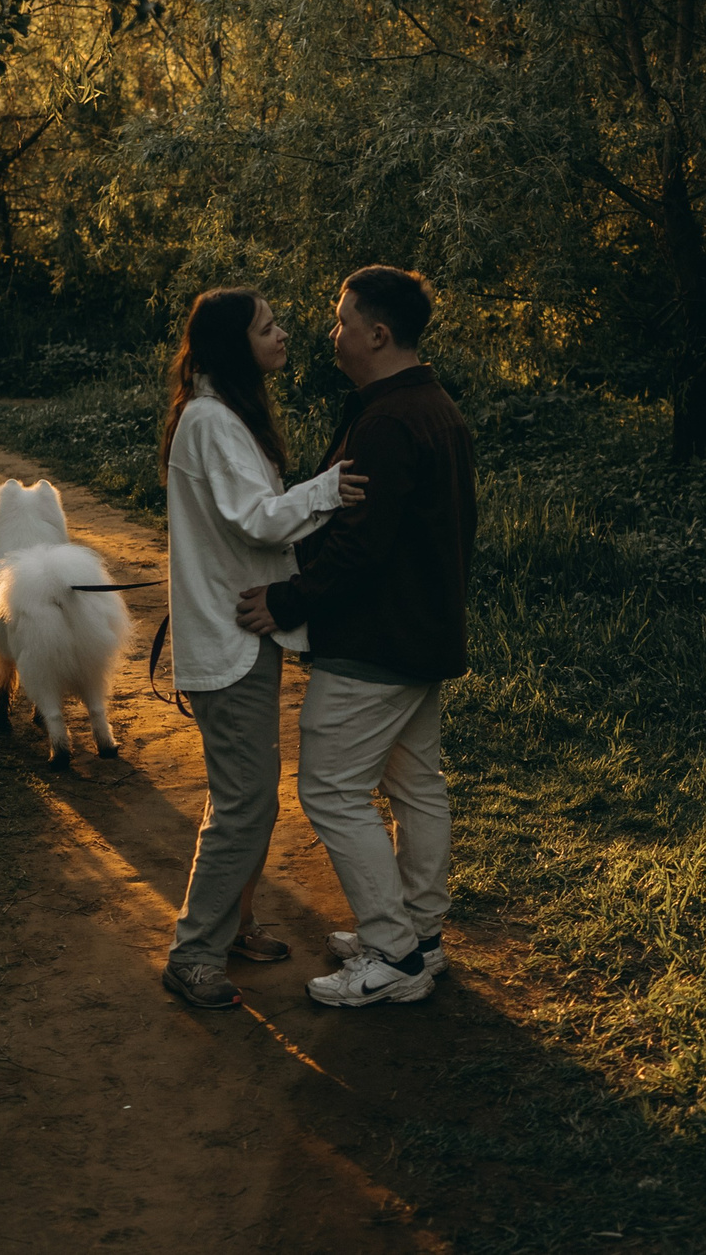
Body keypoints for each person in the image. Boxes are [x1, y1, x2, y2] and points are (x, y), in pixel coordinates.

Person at [236, 266, 475, 1008]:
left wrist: (286, 599)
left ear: (378, 333)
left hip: (375, 642)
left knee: (331, 788)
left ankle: (395, 954)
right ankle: (421, 933)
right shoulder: (436, 408)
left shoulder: (387, 423)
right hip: (423, 634)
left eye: (342, 321)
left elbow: (359, 546)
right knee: (414, 784)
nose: (332, 332)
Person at [157, 288, 367, 1010]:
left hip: (242, 633)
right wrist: (330, 490)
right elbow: (257, 521)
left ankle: (234, 922)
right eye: (267, 327)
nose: (283, 334)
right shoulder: (213, 420)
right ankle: (194, 952)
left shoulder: (219, 415)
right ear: (232, 345)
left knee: (245, 798)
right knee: (245, 804)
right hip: (229, 640)